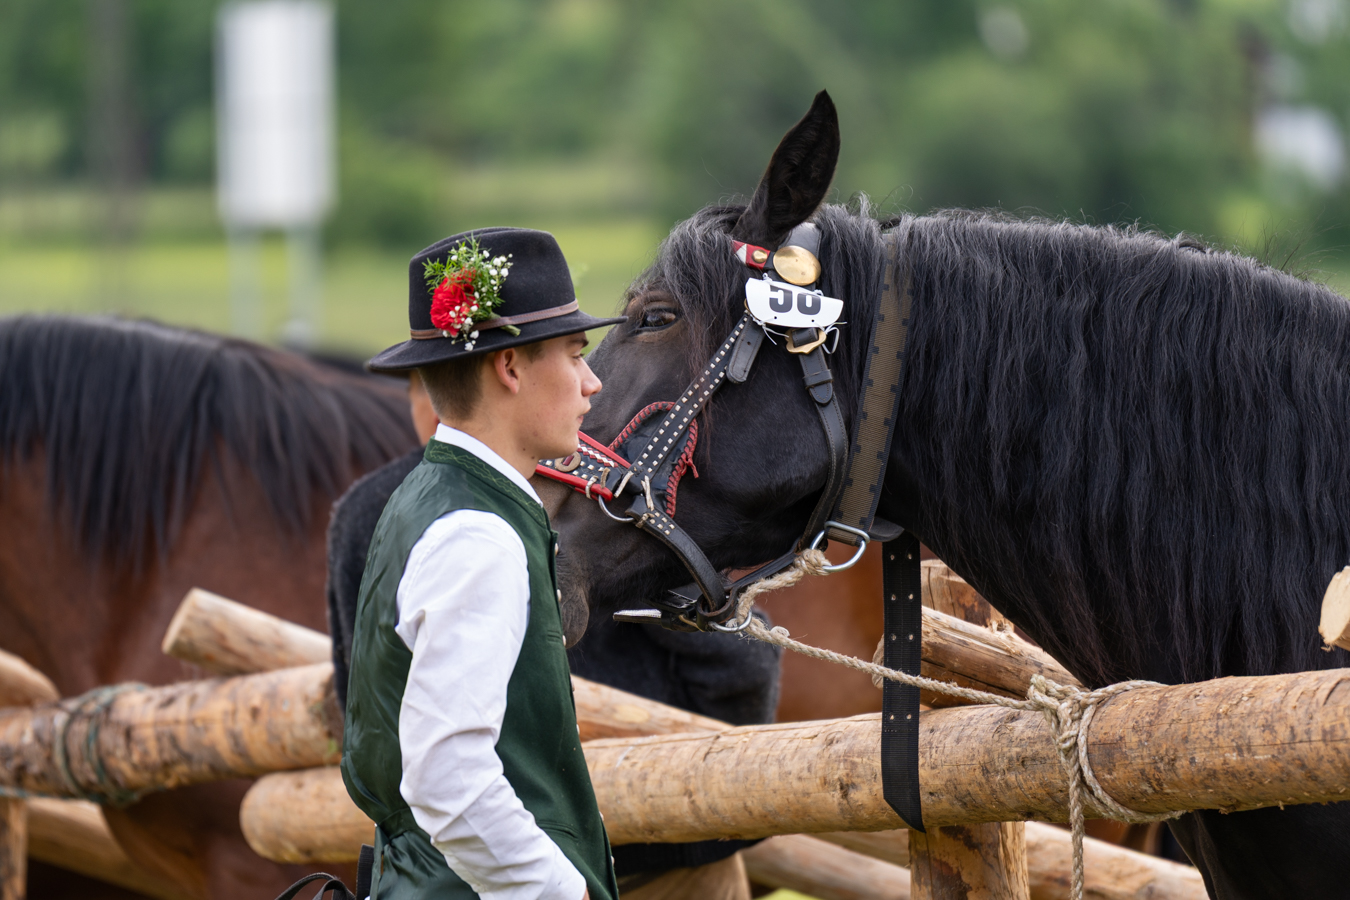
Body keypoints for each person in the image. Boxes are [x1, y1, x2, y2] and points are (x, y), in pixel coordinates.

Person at [341, 228, 624, 900]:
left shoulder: (432, 494)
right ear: (511, 368)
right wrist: (560, 889)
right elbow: (447, 778)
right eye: (575, 355)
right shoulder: (478, 534)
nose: (593, 382)